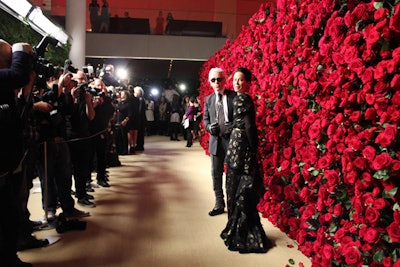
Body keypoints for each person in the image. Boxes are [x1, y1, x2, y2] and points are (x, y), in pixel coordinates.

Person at [220, 67, 272, 253]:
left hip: (234, 146)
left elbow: (239, 123)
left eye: (241, 80)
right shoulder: (245, 98)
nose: (236, 83)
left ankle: (234, 229)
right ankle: (240, 231)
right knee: (245, 186)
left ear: (249, 82)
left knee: (234, 186)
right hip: (243, 147)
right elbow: (249, 126)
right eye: (235, 80)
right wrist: (255, 146)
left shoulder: (238, 98)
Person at [0, 39, 33, 267]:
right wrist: (22, 49)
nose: (14, 63)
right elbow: (19, 75)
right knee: (6, 217)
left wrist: (27, 90)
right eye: (10, 59)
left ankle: (9, 258)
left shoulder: (5, 91)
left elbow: (17, 119)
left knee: (10, 217)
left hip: (7, 163)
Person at [203, 67, 236, 216]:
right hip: (216, 143)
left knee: (232, 174)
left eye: (219, 79)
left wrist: (233, 126)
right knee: (216, 174)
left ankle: (232, 204)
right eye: (213, 80)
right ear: (210, 82)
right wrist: (210, 128)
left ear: (225, 80)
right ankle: (219, 203)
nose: (217, 82)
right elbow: (205, 120)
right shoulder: (208, 100)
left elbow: (241, 119)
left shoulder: (234, 96)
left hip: (232, 142)